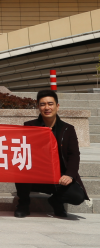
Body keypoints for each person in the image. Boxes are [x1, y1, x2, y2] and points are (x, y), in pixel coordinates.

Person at [14, 90, 89, 218]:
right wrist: (40, 137)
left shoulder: (68, 129)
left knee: (77, 196)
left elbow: (74, 155)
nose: (47, 107)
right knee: (20, 169)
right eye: (42, 104)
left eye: (50, 104)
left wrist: (69, 175)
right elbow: (24, 151)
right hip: (37, 175)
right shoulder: (30, 126)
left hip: (59, 177)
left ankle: (56, 202)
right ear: (38, 107)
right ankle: (23, 205)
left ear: (57, 106)